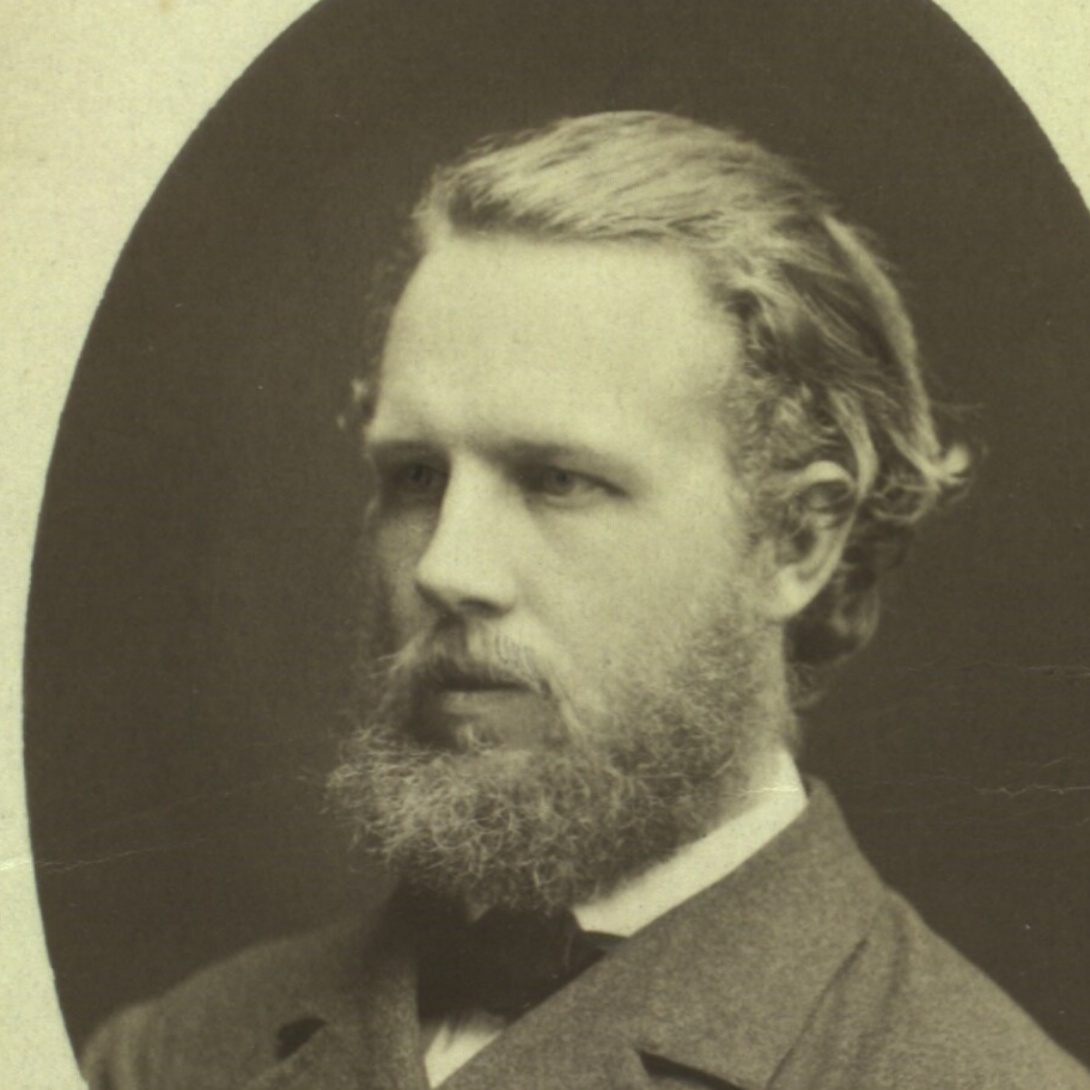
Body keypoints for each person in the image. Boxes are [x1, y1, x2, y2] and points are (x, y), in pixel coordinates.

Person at [80, 111, 1090, 1089]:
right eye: (416, 477)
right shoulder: (166, 1058)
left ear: (796, 540)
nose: (447, 568)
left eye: (558, 480)